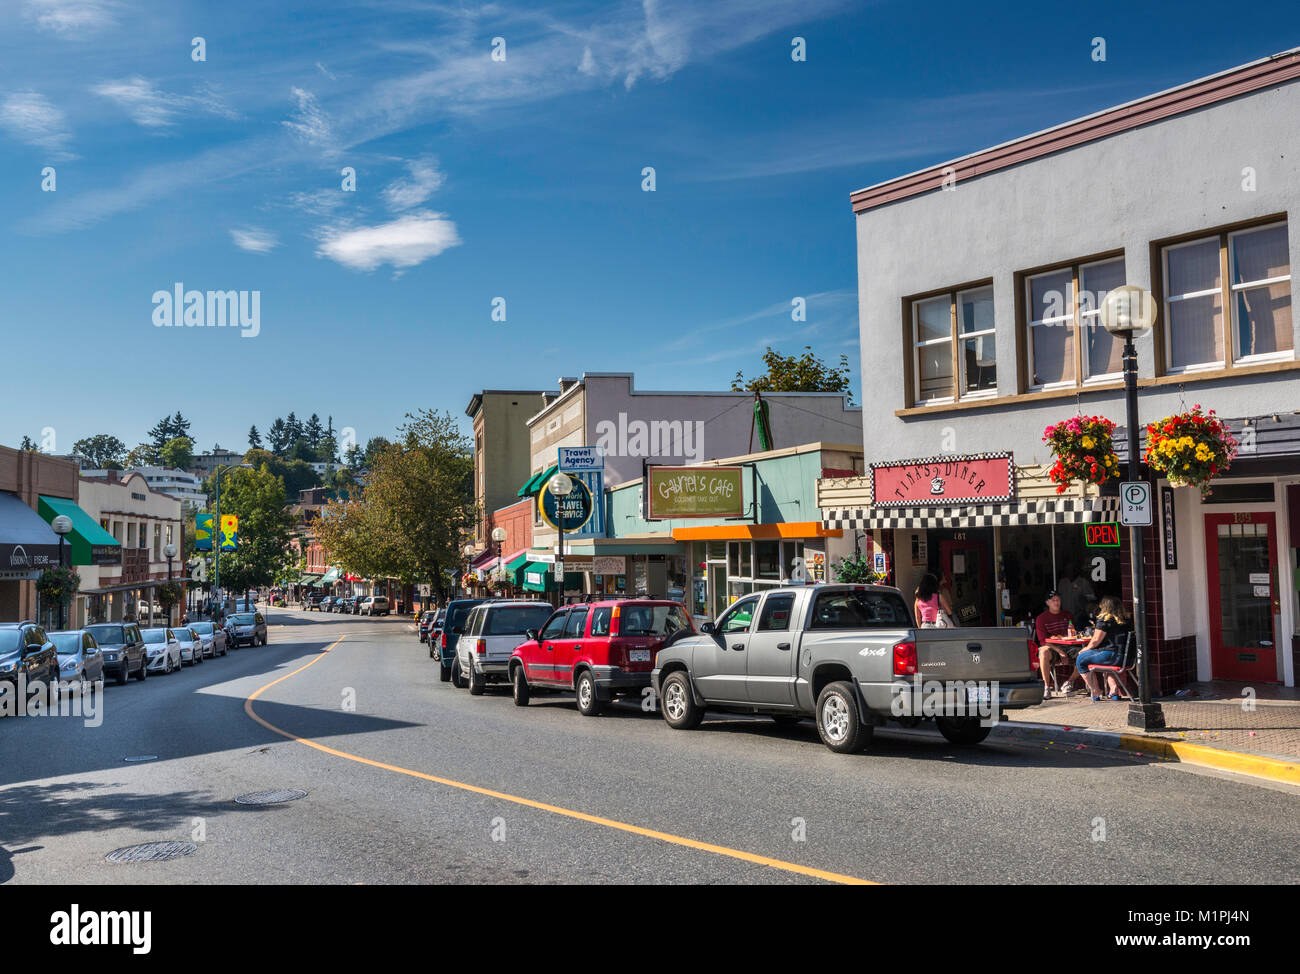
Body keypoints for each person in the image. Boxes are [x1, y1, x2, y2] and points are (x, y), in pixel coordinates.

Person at [1076, 595, 1131, 700]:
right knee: (1107, 666)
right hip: (1125, 658)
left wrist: (1085, 649)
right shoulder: (1127, 620)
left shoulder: (1104, 620)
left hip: (1110, 656)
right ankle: (1114, 690)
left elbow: (1095, 641)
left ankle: (1096, 691)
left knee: (1080, 659)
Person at [1035, 590, 1079, 695]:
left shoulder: (1068, 615)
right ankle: (1046, 687)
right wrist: (1059, 651)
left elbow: (1073, 636)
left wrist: (1073, 631)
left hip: (1068, 645)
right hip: (1052, 647)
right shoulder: (1041, 618)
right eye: (1053, 600)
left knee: (1085, 655)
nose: (1056, 602)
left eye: (1058, 600)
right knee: (1043, 652)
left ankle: (1069, 681)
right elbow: (1043, 641)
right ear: (1047, 603)